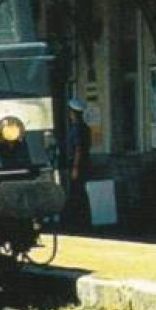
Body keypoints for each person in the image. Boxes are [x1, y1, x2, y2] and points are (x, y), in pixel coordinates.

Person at [62, 98, 92, 229]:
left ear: (73, 113)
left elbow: (78, 149)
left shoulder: (78, 129)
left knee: (77, 192)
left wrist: (75, 167)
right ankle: (80, 219)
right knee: (79, 192)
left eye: (70, 112)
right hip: (82, 164)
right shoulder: (84, 127)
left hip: (78, 165)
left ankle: (78, 221)